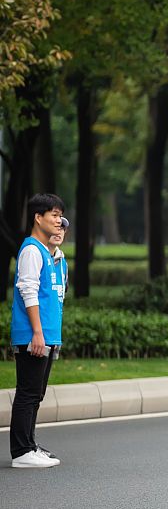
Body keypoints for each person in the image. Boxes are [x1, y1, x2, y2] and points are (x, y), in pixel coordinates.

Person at [9, 194, 68, 469]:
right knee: (28, 392)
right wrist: (37, 332)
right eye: (54, 215)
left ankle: (30, 445)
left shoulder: (48, 253)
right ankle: (21, 451)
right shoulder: (32, 250)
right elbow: (27, 291)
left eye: (60, 216)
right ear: (38, 217)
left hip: (45, 335)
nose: (59, 221)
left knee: (37, 393)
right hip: (33, 334)